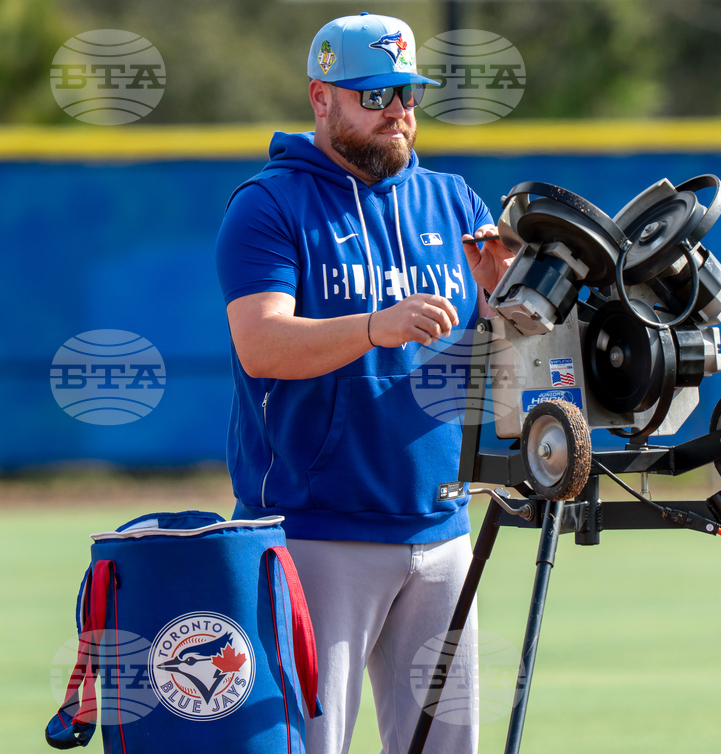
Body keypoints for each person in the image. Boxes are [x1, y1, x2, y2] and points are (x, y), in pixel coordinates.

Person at [215, 12, 514, 754]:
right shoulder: (271, 203)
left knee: (446, 749)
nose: (397, 113)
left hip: (443, 530)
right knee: (312, 746)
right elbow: (260, 345)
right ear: (321, 99)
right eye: (373, 95)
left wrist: (508, 306)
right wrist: (374, 326)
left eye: (407, 93)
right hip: (318, 530)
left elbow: (502, 354)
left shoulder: (454, 202)